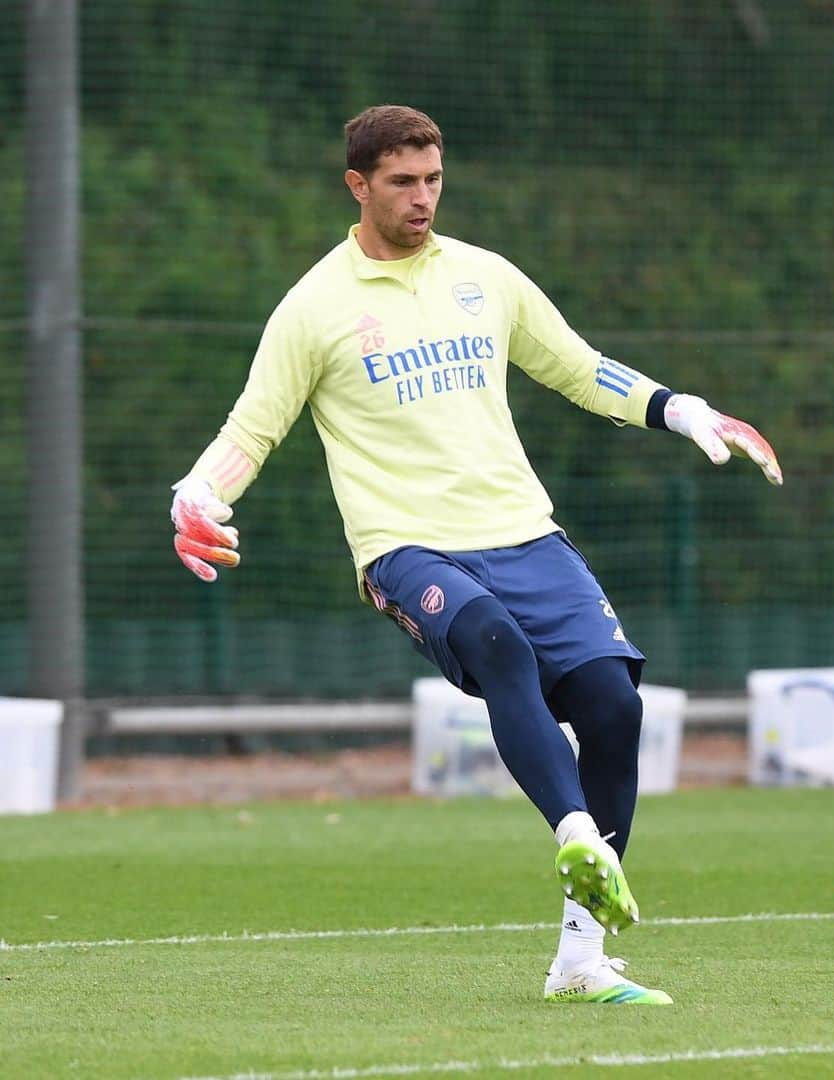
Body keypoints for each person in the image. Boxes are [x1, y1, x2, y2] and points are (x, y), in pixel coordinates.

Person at [171, 104, 783, 1006]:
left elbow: (580, 367)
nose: (422, 199)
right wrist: (197, 491)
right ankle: (575, 830)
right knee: (496, 642)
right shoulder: (314, 306)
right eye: (402, 183)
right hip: (406, 546)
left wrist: (680, 408)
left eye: (433, 180)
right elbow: (250, 430)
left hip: (524, 532)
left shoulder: (484, 278)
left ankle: (581, 962)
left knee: (614, 707)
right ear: (358, 185)